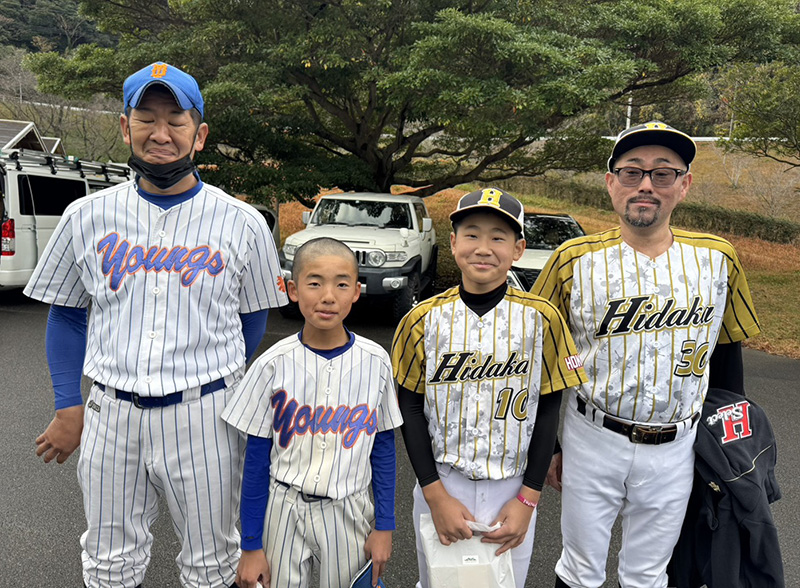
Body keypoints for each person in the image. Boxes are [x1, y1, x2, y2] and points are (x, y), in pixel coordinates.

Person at [25, 62, 288, 588]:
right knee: (107, 560)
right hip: (111, 412)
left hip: (205, 415)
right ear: (125, 126)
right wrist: (67, 404)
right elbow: (68, 315)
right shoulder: (86, 215)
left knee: (212, 561)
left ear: (200, 134)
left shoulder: (243, 221)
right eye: (146, 117)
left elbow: (252, 320)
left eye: (176, 119)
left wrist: (213, 379)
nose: (160, 133)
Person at [530, 121, 761, 588]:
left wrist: (726, 444)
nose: (646, 186)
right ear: (611, 182)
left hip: (677, 444)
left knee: (649, 574)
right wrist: (551, 444)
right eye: (632, 172)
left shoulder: (719, 258)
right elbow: (544, 358)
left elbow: (727, 351)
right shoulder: (572, 260)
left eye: (663, 173)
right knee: (579, 569)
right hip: (591, 435)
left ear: (685, 184)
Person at [391, 187, 587, 588]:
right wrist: (434, 495)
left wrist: (529, 500)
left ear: (518, 249)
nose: (484, 247)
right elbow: (408, 409)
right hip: (443, 480)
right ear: (453, 243)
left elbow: (549, 409)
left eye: (498, 237)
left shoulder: (543, 319)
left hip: (512, 486)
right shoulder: (422, 320)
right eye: (472, 234)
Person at [222, 237, 404, 588]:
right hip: (283, 505)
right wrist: (250, 545)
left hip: (349, 507)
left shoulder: (376, 361)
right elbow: (256, 461)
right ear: (293, 289)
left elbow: (383, 449)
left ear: (356, 290)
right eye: (315, 282)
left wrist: (385, 526)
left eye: (341, 283)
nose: (328, 296)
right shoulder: (272, 364)